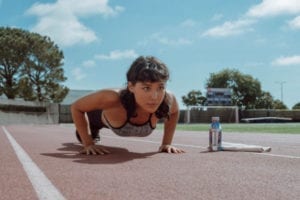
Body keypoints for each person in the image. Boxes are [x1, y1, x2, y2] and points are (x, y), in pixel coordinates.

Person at [71, 56, 185, 155]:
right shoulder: (112, 98)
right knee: (84, 137)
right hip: (96, 119)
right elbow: (76, 107)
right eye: (146, 88)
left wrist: (166, 143)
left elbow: (174, 113)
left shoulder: (168, 99)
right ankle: (92, 134)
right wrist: (88, 143)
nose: (155, 97)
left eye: (160, 87)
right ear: (131, 86)